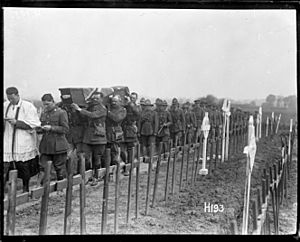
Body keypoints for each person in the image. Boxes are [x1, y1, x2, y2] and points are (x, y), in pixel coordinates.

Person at [3, 87, 41, 192]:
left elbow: (34, 124)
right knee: (5, 166)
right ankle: (6, 190)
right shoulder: (5, 105)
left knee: (23, 167)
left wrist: (17, 123)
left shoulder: (28, 106)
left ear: (17, 95)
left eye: (12, 98)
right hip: (8, 140)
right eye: (8, 98)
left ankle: (25, 188)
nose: (10, 101)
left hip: (22, 140)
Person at [71, 91, 107, 186]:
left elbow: (93, 115)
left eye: (97, 98)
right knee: (85, 158)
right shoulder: (89, 107)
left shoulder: (103, 108)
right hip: (87, 137)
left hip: (99, 138)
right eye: (93, 98)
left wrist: (79, 109)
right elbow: (83, 118)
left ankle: (96, 176)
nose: (95, 100)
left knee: (97, 158)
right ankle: (86, 176)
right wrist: (76, 112)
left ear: (101, 99)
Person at [38, 93, 69, 184]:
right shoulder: (44, 113)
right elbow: (42, 126)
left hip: (58, 146)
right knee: (43, 167)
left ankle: (61, 189)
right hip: (46, 145)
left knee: (59, 168)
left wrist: (51, 128)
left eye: (48, 104)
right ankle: (42, 189)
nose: (46, 106)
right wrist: (39, 129)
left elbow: (65, 129)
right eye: (44, 104)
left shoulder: (61, 113)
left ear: (53, 102)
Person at [121, 92, 141, 175]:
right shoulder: (126, 106)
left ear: (136, 99)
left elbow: (138, 115)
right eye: (131, 97)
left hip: (130, 130)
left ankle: (129, 168)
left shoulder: (136, 107)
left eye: (133, 98)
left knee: (130, 150)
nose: (132, 99)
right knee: (122, 150)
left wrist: (130, 104)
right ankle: (126, 165)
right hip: (123, 130)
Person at [106, 95, 127, 166]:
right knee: (109, 150)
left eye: (115, 101)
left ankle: (124, 165)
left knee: (119, 150)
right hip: (108, 131)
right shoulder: (108, 108)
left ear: (120, 102)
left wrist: (108, 112)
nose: (113, 103)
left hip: (117, 131)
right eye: (112, 101)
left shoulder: (123, 110)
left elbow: (117, 119)